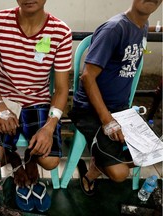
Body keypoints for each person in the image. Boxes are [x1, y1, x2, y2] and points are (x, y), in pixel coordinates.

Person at [68, 0, 162, 196]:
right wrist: (108, 120)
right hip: (91, 110)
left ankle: (99, 160)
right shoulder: (114, 29)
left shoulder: (141, 25)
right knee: (120, 174)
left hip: (121, 109)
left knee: (152, 152)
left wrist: (158, 28)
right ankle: (91, 173)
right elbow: (87, 76)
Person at [0, 0, 72, 188]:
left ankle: (30, 158)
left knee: (50, 160)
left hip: (38, 101)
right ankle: (14, 158)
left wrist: (49, 127)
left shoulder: (61, 32)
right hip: (4, 99)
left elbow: (62, 88)